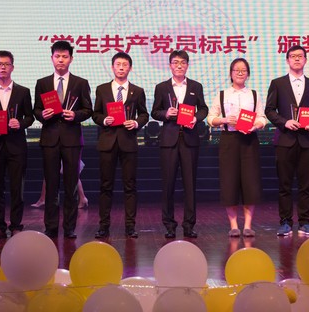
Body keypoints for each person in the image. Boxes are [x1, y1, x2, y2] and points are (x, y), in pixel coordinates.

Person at [33, 40, 93, 239]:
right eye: (57, 56)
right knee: (51, 185)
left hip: (72, 139)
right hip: (50, 139)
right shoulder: (42, 83)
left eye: (64, 56)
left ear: (71, 59)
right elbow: (36, 109)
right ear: (52, 58)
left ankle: (69, 227)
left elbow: (88, 110)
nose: (61, 60)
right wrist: (43, 114)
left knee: (71, 185)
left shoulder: (80, 83)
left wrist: (75, 115)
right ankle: (50, 227)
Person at [265, 46, 309, 237]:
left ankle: (305, 222)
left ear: (305, 60)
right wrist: (285, 122)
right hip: (285, 140)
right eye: (293, 56)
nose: (297, 59)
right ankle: (285, 222)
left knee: (306, 185)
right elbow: (269, 110)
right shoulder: (278, 83)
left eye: (300, 56)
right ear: (287, 60)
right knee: (285, 184)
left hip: (307, 141)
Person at [151, 50, 208, 238]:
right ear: (170, 65)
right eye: (175, 62)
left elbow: (203, 109)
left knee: (190, 184)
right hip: (169, 140)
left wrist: (195, 118)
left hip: (190, 139)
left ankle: (189, 225)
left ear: (187, 65)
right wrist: (166, 114)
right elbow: (155, 112)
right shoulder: (161, 87)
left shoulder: (195, 86)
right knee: (168, 184)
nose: (179, 66)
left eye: (183, 62)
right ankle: (169, 224)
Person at [0, 50, 34, 240]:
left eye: (6, 64)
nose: (3, 67)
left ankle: (16, 225)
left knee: (17, 188)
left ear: (12, 67)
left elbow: (30, 117)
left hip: (16, 146)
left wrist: (21, 123)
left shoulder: (23, 91)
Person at [92, 52, 149, 239]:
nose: (121, 67)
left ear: (130, 68)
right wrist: (104, 120)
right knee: (105, 186)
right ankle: (103, 226)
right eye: (118, 64)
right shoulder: (102, 89)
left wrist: (136, 123)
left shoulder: (137, 91)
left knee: (130, 186)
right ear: (112, 67)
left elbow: (144, 114)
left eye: (125, 64)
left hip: (128, 142)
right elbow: (95, 114)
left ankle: (130, 226)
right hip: (107, 142)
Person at [208, 58, 266, 237]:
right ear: (231, 73)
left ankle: (248, 225)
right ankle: (233, 225)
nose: (240, 73)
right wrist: (224, 120)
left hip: (249, 140)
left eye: (243, 70)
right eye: (236, 70)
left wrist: (256, 126)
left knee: (250, 182)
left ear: (248, 74)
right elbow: (211, 118)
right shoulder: (222, 94)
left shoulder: (254, 94)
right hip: (229, 140)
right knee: (229, 181)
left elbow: (262, 117)